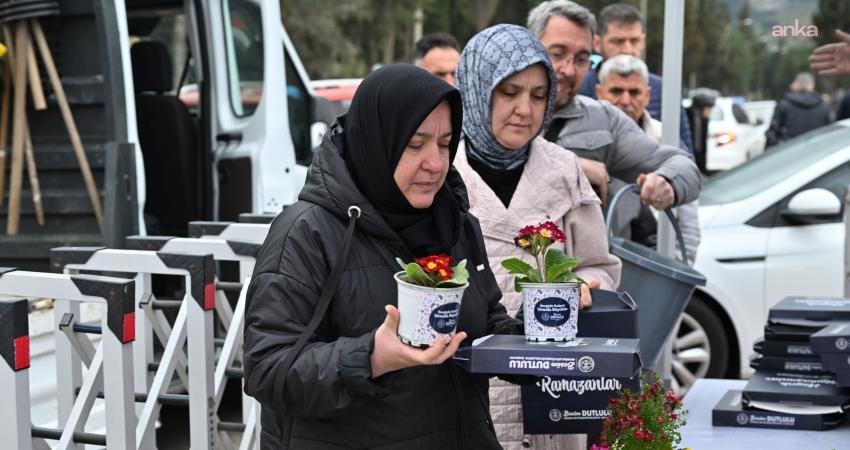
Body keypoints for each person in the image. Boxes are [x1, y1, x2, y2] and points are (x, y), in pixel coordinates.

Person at [243, 64, 523, 449]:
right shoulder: (307, 233)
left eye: (445, 144)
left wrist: (543, 338)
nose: (435, 163)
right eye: (415, 144)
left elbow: (485, 321)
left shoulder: (455, 223)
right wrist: (372, 358)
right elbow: (268, 369)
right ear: (376, 141)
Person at [454, 24, 622, 450]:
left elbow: (599, 264)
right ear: (477, 89)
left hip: (551, 391)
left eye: (538, 95)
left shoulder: (563, 169)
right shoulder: (442, 169)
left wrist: (584, 284)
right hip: (464, 386)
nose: (524, 109)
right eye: (509, 93)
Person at [526, 0, 700, 212]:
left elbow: (685, 166)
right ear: (529, 48)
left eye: (581, 59)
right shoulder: (496, 108)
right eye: (558, 54)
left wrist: (667, 181)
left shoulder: (603, 119)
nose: (569, 70)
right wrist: (571, 167)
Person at [596, 55, 700, 264]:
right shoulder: (583, 138)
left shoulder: (667, 139)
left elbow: (688, 222)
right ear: (599, 93)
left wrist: (677, 267)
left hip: (652, 266)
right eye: (616, 91)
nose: (625, 100)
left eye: (634, 92)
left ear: (648, 95)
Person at [578, 2, 694, 154]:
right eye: (618, 41)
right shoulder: (579, 90)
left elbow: (686, 155)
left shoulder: (665, 91)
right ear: (597, 44)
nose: (628, 50)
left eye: (634, 41)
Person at [765, 72, 831, 146]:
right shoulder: (823, 105)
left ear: (796, 84)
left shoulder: (784, 104)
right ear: (812, 85)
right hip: (818, 149)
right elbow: (830, 131)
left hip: (790, 148)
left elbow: (772, 132)